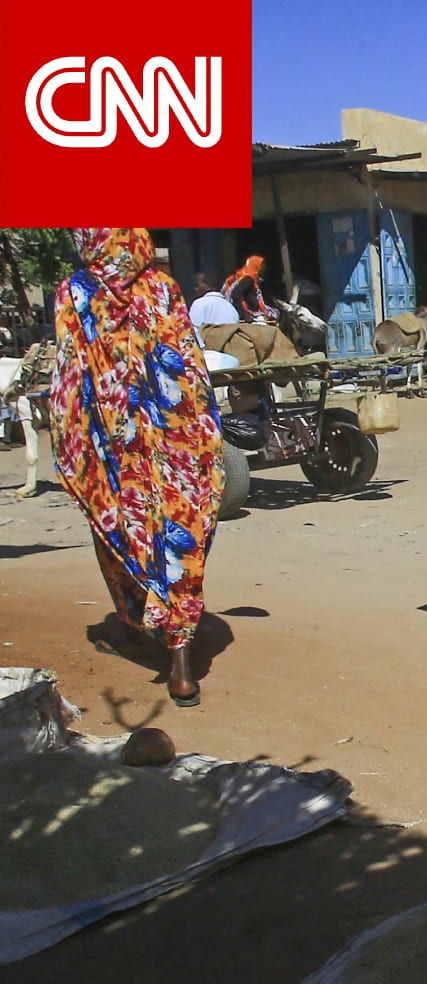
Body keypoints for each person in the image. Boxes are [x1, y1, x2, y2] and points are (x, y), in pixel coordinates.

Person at [49, 229, 224, 708]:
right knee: (176, 543)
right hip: (172, 444)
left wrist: (73, 442)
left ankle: (137, 625)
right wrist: (199, 437)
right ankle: (181, 663)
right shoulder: (164, 286)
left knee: (120, 534)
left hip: (112, 446)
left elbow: (68, 375)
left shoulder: (74, 292)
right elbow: (191, 371)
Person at [222, 255, 270, 321]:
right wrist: (245, 314)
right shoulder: (248, 278)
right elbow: (236, 293)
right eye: (262, 265)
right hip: (249, 317)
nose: (263, 268)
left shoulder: (243, 276)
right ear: (255, 265)